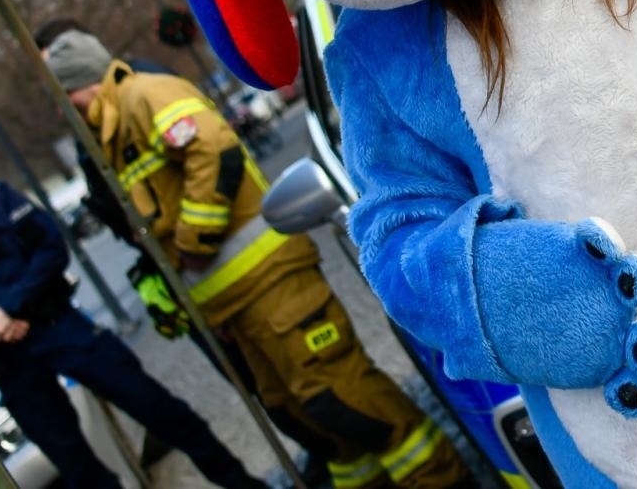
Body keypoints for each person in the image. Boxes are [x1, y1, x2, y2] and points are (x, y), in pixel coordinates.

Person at [42, 30, 470, 489]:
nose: (67, 112)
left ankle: (440, 480)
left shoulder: (145, 95)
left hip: (271, 281)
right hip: (233, 303)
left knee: (341, 397)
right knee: (308, 420)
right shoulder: (110, 131)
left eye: (65, 98)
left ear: (77, 86)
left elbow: (215, 152)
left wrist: (191, 242)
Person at [0, 142, 265, 489]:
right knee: (77, 468)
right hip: (8, 364)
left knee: (157, 408)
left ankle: (240, 483)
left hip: (59, 329)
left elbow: (50, 249)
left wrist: (9, 309)